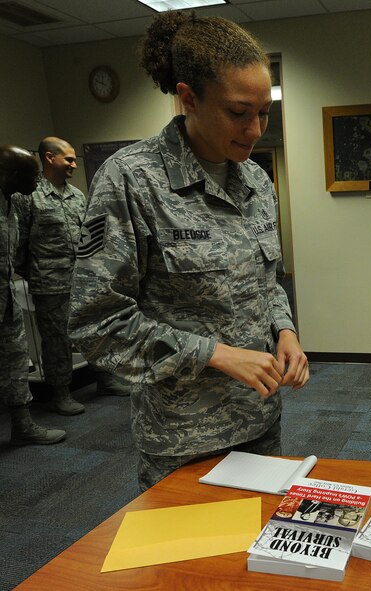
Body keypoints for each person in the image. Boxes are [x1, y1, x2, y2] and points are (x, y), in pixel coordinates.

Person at [69, 12, 309, 490]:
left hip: (260, 422)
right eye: (239, 113)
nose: (256, 129)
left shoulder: (257, 181)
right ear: (188, 98)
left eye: (264, 112)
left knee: (257, 558)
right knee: (186, 565)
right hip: (183, 440)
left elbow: (267, 280)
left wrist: (285, 329)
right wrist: (215, 354)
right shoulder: (131, 181)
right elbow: (95, 325)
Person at [13, 137, 86, 416]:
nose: (73, 164)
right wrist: (32, 272)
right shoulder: (28, 196)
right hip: (49, 281)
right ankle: (61, 392)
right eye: (68, 159)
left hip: (80, 278)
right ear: (48, 158)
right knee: (56, 338)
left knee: (91, 329)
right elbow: (17, 242)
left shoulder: (77, 195)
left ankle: (105, 378)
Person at [0, 144, 66, 445]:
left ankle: (22, 425)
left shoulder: (11, 203)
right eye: (32, 175)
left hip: (6, 301)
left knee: (15, 360)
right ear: (11, 175)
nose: (37, 181)